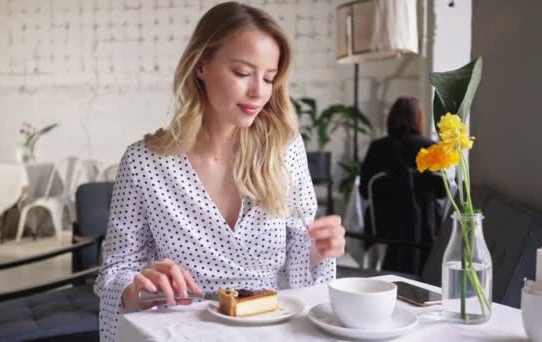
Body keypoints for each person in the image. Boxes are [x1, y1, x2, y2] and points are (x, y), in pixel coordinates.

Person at [94, 2, 346, 341]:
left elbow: (301, 270)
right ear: (201, 66)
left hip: (268, 332)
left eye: (269, 78)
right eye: (242, 73)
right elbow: (115, 271)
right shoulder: (144, 163)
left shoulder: (285, 151)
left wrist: (319, 249)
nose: (259, 92)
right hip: (180, 333)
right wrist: (137, 288)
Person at [358, 96, 445, 274]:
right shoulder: (430, 148)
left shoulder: (378, 148)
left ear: (391, 118)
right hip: (425, 228)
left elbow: (364, 191)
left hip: (384, 227)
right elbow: (443, 192)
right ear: (419, 118)